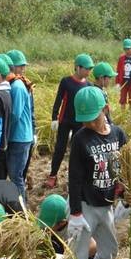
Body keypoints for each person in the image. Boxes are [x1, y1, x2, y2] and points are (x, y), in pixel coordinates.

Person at [65, 86, 128, 259]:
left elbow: (124, 168)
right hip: (84, 206)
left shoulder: (118, 135)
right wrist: (75, 213)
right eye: (85, 120)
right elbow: (74, 178)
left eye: (94, 118)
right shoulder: (81, 139)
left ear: (106, 109)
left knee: (109, 251)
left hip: (106, 205)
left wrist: (125, 192)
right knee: (78, 258)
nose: (89, 124)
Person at [46, 54, 95, 188]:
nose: (88, 71)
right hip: (65, 120)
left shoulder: (89, 85)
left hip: (80, 122)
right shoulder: (66, 82)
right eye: (86, 68)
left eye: (90, 69)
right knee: (60, 149)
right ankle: (53, 175)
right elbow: (59, 99)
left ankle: (73, 177)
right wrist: (54, 117)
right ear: (78, 68)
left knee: (76, 151)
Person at [7, 55, 35, 199]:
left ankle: (21, 208)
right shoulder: (18, 84)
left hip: (19, 137)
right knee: (16, 175)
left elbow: (15, 115)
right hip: (21, 135)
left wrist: (2, 132)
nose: (23, 69)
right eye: (21, 66)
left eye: (23, 66)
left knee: (15, 175)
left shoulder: (17, 86)